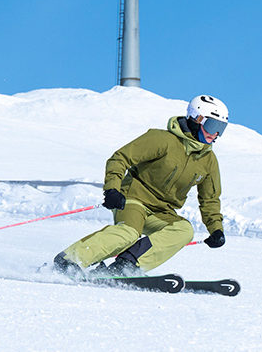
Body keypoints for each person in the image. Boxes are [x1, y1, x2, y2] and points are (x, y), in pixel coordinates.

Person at [53, 94, 229, 278]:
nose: (215, 133)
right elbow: (120, 158)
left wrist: (216, 229)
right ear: (196, 118)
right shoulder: (162, 140)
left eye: (221, 129)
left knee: (184, 230)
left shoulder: (208, 161)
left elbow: (210, 199)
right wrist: (112, 189)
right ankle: (70, 260)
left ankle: (127, 265)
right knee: (128, 233)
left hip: (163, 212)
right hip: (134, 200)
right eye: (213, 125)